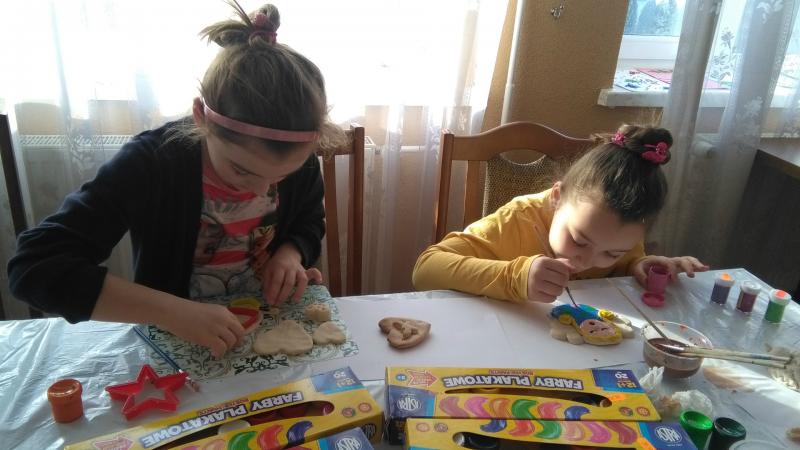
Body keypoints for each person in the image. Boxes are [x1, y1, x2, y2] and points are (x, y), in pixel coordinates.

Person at [7, 2, 344, 358]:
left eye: (282, 176)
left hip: (267, 332)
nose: (262, 190)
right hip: (174, 341)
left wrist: (291, 253)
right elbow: (34, 267)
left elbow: (309, 220)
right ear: (201, 117)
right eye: (242, 171)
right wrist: (172, 312)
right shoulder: (152, 164)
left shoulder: (297, 159)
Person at [412, 124, 708, 303]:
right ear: (557, 197)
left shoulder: (620, 232)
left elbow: (623, 265)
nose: (586, 261)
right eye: (579, 241)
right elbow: (425, 270)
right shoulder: (517, 219)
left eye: (612, 254)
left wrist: (637, 266)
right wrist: (515, 278)